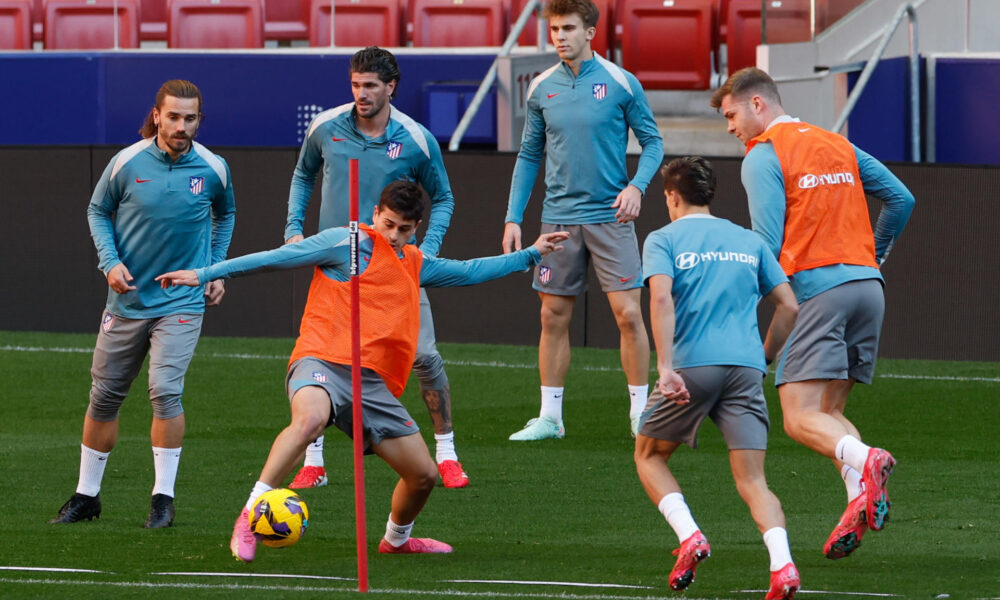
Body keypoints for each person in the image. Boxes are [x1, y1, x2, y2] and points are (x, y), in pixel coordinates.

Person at [157, 181, 568, 562]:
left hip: (370, 384)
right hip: (320, 360)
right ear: (375, 214)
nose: (393, 235)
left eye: (404, 229)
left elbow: (470, 272)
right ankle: (248, 517)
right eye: (387, 224)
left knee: (422, 475)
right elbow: (276, 259)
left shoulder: (413, 261)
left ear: (415, 228)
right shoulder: (344, 242)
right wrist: (205, 273)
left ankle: (397, 540)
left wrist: (531, 253)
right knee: (311, 420)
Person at [711, 67, 915, 559]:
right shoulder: (836, 142)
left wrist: (738, 304)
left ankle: (869, 459)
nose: (730, 127)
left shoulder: (762, 155)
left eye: (732, 114)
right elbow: (901, 199)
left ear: (757, 104)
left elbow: (765, 243)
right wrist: (876, 251)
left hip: (820, 290)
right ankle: (857, 500)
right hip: (869, 287)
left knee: (798, 418)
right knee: (829, 412)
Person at [50, 79, 236, 529]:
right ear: (157, 115)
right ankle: (87, 495)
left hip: (182, 301)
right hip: (128, 300)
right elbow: (97, 211)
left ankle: (162, 500)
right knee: (104, 397)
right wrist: (109, 262)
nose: (181, 125)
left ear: (199, 120)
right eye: (173, 116)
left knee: (165, 390)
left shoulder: (213, 168)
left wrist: (215, 269)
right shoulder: (126, 162)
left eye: (190, 118)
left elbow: (225, 213)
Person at [284, 46, 468, 489]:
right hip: (336, 269)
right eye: (355, 84)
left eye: (370, 85)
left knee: (424, 355)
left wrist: (428, 249)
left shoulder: (416, 137)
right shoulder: (326, 127)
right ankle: (314, 461)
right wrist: (294, 228)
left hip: (395, 271)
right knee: (322, 358)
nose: (361, 93)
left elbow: (443, 197)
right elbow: (303, 174)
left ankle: (446, 450)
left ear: (391, 87)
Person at [635, 156, 800, 598]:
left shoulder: (662, 238)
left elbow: (661, 298)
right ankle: (782, 566)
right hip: (745, 367)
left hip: (692, 367)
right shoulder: (748, 240)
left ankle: (690, 535)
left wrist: (666, 367)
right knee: (753, 481)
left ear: (671, 196)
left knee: (649, 455)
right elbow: (789, 306)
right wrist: (762, 358)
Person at [502, 0, 664, 440]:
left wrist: (637, 187)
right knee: (552, 315)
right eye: (554, 28)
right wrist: (514, 217)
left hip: (611, 217)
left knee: (629, 315)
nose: (559, 36)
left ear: (590, 31)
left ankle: (640, 415)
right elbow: (529, 155)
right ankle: (550, 418)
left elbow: (652, 142)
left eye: (569, 28)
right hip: (557, 220)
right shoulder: (540, 88)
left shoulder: (620, 82)